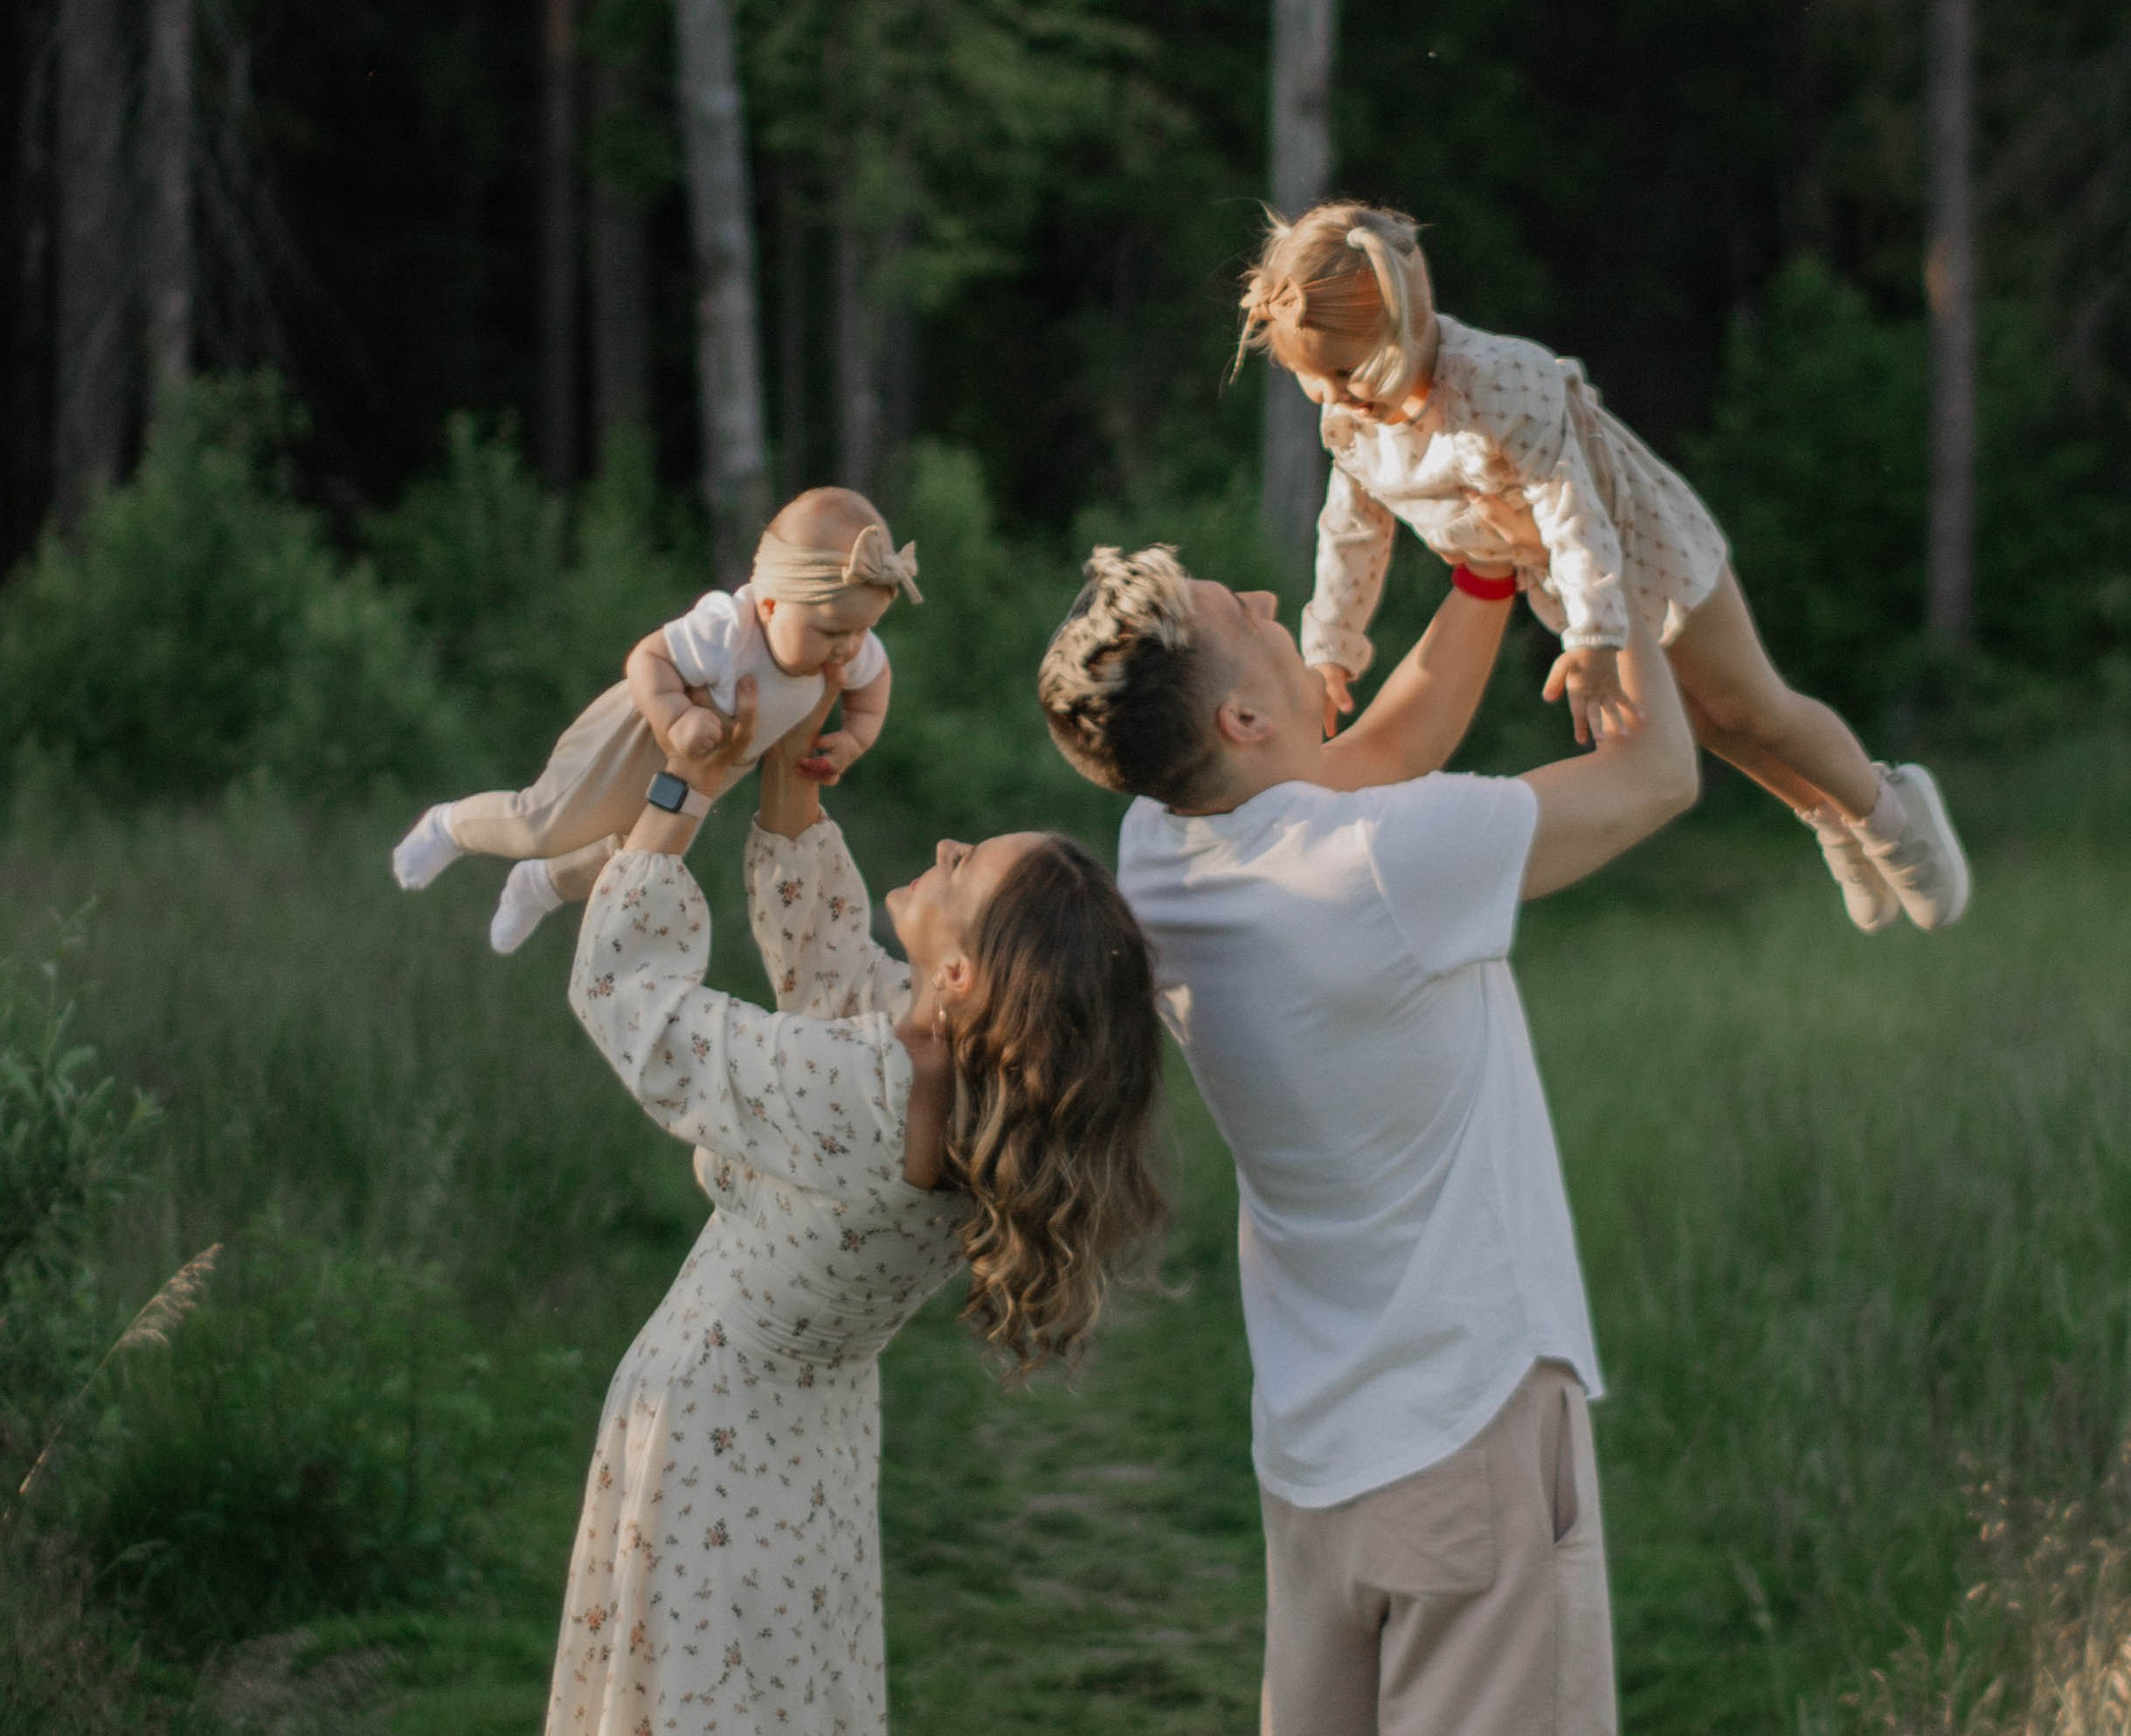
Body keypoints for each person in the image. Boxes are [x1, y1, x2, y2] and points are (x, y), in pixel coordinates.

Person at [1037, 540, 1699, 1736]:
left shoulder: (1162, 848)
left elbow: (1388, 749)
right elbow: (1655, 775)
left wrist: (1482, 581)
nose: (1260, 597)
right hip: (1467, 1431)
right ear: (1241, 714)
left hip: (1316, 1459)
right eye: (1236, 612)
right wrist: (1603, 564)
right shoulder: (1382, 861)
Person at [547, 678, 1166, 1736]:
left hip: (713, 1445)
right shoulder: (960, 1078)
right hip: (809, 1460)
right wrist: (794, 759)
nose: (947, 844)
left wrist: (679, 790)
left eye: (965, 866)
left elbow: (629, 1001)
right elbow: (836, 978)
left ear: (962, 974)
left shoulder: (871, 1094)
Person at [1240, 200, 1968, 932]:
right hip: (1558, 574)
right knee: (1706, 726)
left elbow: (1572, 513)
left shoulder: (1496, 386)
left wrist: (1590, 640)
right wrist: (1331, 644)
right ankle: (1828, 820)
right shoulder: (1354, 413)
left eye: (1343, 373)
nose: (1330, 398)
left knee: (1751, 705)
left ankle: (1890, 816)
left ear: (1401, 336)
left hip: (1635, 540)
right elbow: (1352, 529)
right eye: (1312, 378)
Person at [391, 482, 910, 952]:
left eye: (862, 631)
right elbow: (648, 658)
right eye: (830, 633)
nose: (848, 649)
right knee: (544, 821)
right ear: (771, 605)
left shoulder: (848, 640)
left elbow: (874, 683)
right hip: (636, 734)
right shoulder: (729, 630)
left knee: (635, 859)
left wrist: (855, 739)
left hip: (716, 764)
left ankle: (540, 886)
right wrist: (676, 716)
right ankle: (449, 826)